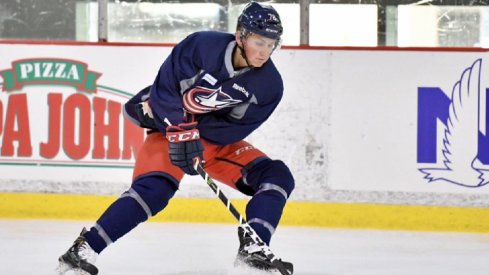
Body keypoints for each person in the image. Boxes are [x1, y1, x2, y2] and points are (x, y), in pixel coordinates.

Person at [57, 2, 295, 274]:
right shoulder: (202, 46)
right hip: (169, 133)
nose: (264, 51)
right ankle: (84, 248)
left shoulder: (269, 86)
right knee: (155, 191)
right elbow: (165, 89)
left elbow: (235, 129)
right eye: (258, 42)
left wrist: (195, 134)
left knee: (278, 176)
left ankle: (254, 247)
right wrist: (180, 130)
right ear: (241, 34)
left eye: (270, 44)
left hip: (214, 142)